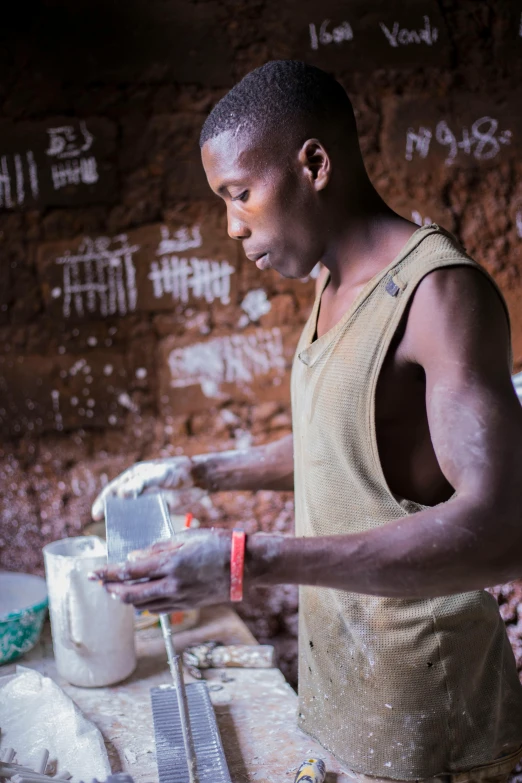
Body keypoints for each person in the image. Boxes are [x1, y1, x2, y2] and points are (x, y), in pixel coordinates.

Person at [91, 61, 522, 781]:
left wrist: (246, 561)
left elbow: (506, 529)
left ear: (313, 163)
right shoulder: (332, 284)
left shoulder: (439, 294)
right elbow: (341, 441)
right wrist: (197, 471)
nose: (231, 226)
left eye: (240, 195)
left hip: (429, 719)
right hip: (352, 695)